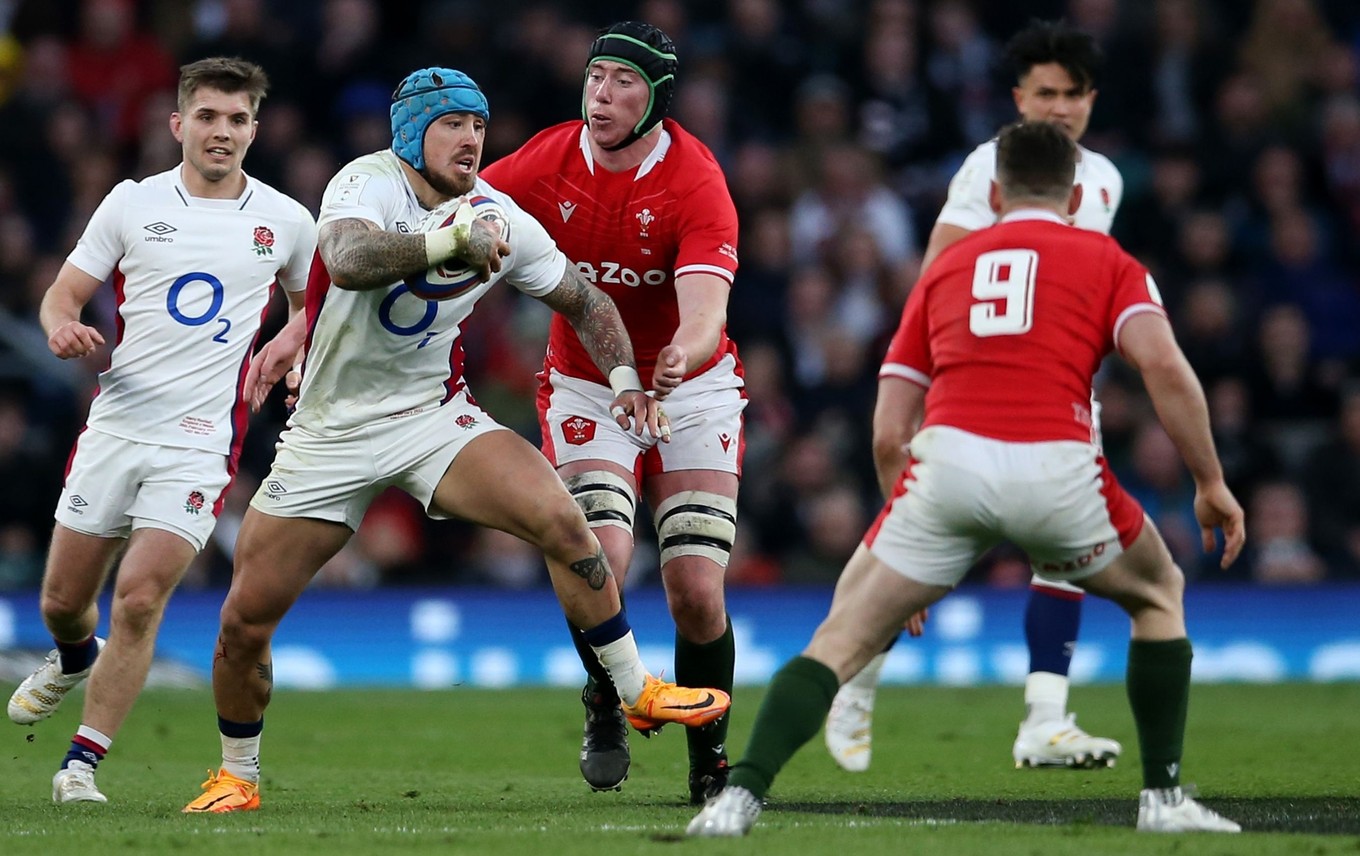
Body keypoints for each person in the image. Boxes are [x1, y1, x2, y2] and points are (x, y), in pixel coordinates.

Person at [181, 65, 731, 813]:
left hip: (432, 415)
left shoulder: (495, 211)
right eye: (452, 123)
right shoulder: (365, 182)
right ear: (411, 131)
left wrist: (626, 378)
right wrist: (448, 243)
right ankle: (237, 775)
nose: (471, 137)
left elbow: (584, 298)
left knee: (565, 522)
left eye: (478, 124)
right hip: (332, 432)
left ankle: (633, 693)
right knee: (245, 620)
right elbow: (346, 259)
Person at [689, 120, 1245, 836]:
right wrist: (1210, 481)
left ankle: (738, 801)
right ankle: (1164, 803)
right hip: (1059, 468)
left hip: (949, 466)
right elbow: (1164, 366)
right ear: (1077, 195)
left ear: (993, 191)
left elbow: (891, 425)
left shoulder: (946, 269)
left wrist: (906, 536)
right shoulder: (1109, 260)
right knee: (1159, 593)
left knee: (840, 640)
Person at [6, 57, 317, 804]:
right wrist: (61, 329)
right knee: (59, 601)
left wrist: (296, 343)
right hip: (117, 425)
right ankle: (75, 654)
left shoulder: (286, 220)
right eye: (207, 117)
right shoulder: (130, 204)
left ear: (254, 129)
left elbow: (318, 305)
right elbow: (62, 295)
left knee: (141, 598)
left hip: (201, 441)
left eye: (237, 119)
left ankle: (80, 765)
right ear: (179, 124)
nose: (222, 132)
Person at [825, 19, 1127, 773]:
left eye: (1071, 94)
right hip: (975, 392)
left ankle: (1045, 720)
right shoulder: (987, 169)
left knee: (1067, 553)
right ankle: (855, 684)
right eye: (1043, 93)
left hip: (1060, 396)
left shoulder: (1106, 181)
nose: (1057, 108)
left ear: (1091, 100)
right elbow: (938, 275)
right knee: (910, 560)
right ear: (1019, 97)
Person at [480, 21, 743, 805]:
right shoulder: (547, 159)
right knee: (600, 555)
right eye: (596, 76)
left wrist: (679, 358)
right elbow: (461, 208)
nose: (602, 92)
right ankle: (606, 698)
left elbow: (705, 311)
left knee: (696, 590)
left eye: (623, 81)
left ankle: (709, 756)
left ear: (657, 96)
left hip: (690, 387)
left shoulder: (696, 179)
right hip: (586, 383)